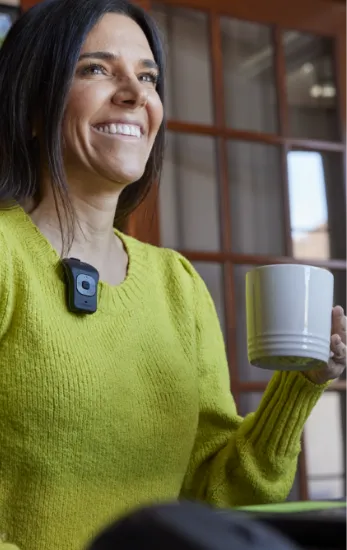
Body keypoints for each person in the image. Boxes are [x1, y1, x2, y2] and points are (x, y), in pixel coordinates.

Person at [0, 1, 345, 549]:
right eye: (95, 68)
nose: (136, 94)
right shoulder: (5, 258)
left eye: (148, 77)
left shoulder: (177, 286)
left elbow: (217, 494)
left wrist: (302, 384)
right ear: (34, 105)